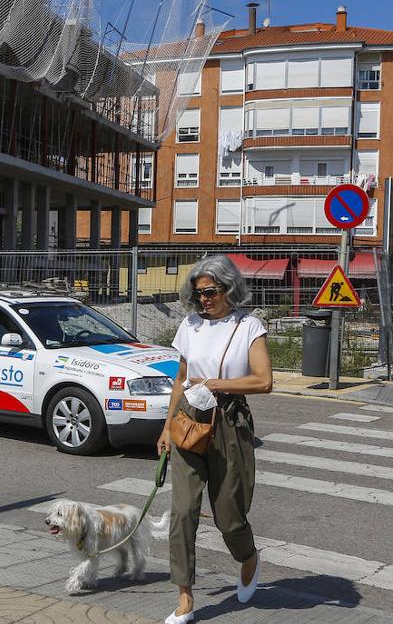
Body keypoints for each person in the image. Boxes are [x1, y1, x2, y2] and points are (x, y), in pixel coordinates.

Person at [156, 254, 273, 623]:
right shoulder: (190, 326)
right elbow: (180, 379)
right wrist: (165, 426)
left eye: (211, 291)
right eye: (199, 292)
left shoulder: (249, 326)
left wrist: (214, 384)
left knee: (229, 516)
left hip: (229, 419)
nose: (204, 299)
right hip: (189, 417)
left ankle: (249, 556)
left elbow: (263, 381)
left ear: (229, 289)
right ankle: (185, 597)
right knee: (183, 510)